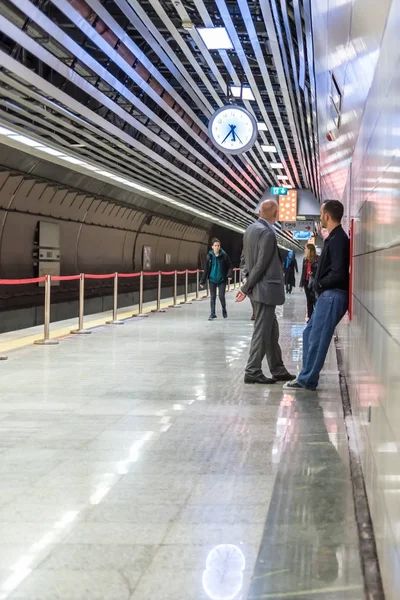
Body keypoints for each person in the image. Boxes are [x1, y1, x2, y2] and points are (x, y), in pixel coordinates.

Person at [284, 200, 350, 391]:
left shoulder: (338, 240)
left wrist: (319, 283)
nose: (320, 218)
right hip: (327, 295)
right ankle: (306, 376)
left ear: (327, 216)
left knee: (317, 338)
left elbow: (338, 272)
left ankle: (307, 380)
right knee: (309, 333)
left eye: (321, 214)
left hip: (333, 295)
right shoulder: (334, 238)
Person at [236, 200, 295, 384]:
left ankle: (277, 368)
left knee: (271, 331)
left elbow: (244, 260)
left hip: (257, 290)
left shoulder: (250, 230)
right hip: (265, 290)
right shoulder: (267, 233)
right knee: (262, 331)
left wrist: (247, 283)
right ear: (275, 214)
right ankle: (252, 370)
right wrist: (246, 288)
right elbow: (261, 264)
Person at [200, 238, 233, 321]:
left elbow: (230, 266)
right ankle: (212, 313)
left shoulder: (224, 255)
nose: (217, 247)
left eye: (218, 245)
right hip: (212, 279)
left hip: (222, 279)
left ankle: (224, 308)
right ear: (212, 247)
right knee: (213, 297)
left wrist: (229, 275)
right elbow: (206, 269)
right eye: (215, 246)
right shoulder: (209, 256)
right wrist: (202, 281)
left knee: (221, 296)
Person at [300, 243, 319, 320]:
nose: (305, 250)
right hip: (306, 281)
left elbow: (319, 271)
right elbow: (303, 272)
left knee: (315, 299)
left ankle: (316, 316)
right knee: (309, 300)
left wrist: (313, 273)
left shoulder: (317, 259)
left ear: (310, 250)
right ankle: (310, 317)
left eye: (306, 249)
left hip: (314, 282)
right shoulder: (305, 259)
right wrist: (301, 283)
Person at [240, 252, 255, 320]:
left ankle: (256, 312)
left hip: (262, 277)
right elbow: (243, 262)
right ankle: (255, 312)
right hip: (250, 275)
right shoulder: (247, 245)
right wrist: (244, 278)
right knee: (252, 295)